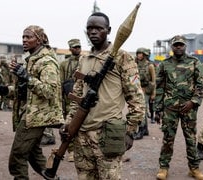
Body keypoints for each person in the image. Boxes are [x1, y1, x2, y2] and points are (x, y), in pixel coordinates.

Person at [65, 12, 145, 179]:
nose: (93, 32)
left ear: (108, 30)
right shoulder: (84, 59)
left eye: (98, 28)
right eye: (89, 28)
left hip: (107, 134)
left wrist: (130, 131)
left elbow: (136, 98)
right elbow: (77, 94)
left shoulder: (123, 57)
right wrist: (69, 122)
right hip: (82, 134)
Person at [0, 25, 64, 179]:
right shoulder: (32, 60)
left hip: (37, 117)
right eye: (23, 37)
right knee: (33, 155)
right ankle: (52, 177)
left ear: (39, 40)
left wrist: (26, 76)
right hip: (32, 113)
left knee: (17, 155)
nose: (24, 40)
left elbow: (49, 91)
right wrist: (7, 90)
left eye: (29, 37)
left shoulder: (47, 62)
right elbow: (28, 90)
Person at [156, 35, 203, 180]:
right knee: (168, 139)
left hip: (188, 109)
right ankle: (163, 167)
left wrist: (193, 101)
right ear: (172, 47)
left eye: (181, 45)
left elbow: (201, 84)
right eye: (176, 45)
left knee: (191, 139)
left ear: (185, 46)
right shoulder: (164, 64)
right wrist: (158, 109)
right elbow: (159, 88)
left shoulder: (195, 62)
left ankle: (194, 169)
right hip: (169, 109)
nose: (178, 47)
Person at [59, 38, 82, 162]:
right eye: (75, 47)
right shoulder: (64, 64)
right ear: (70, 49)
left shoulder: (85, 62)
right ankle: (71, 150)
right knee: (68, 124)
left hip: (82, 97)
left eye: (78, 47)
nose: (77, 49)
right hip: (68, 98)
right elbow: (61, 82)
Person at [133, 47, 156, 140]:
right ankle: (145, 130)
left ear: (145, 55)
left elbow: (154, 81)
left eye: (141, 53)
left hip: (146, 90)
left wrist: (153, 93)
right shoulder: (135, 64)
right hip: (137, 89)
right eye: (138, 53)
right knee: (143, 110)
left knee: (142, 110)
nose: (139, 55)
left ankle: (141, 130)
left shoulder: (150, 66)